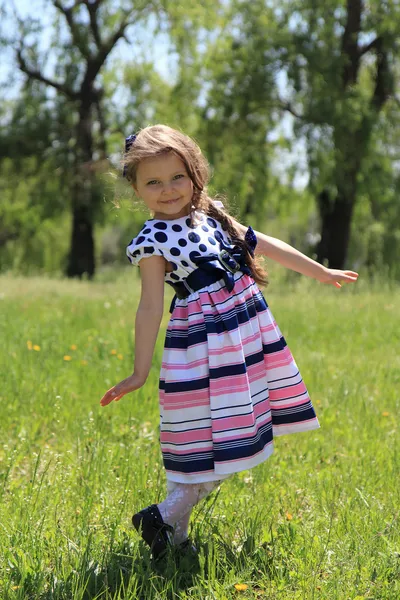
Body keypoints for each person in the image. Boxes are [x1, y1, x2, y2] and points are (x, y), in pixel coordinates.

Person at [100, 124, 359, 560]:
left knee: (228, 432)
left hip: (244, 340)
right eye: (153, 182)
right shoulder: (153, 240)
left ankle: (172, 535)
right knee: (212, 435)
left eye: (177, 176)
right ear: (136, 188)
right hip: (204, 350)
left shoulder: (212, 214)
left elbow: (265, 244)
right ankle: (165, 516)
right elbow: (149, 308)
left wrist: (321, 271)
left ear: (195, 172)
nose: (168, 190)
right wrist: (139, 371)